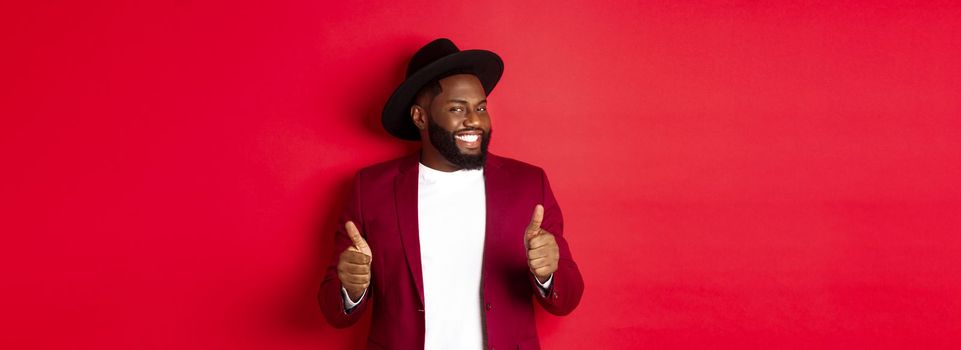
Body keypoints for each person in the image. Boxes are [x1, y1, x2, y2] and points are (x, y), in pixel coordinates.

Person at [319, 38, 584, 350]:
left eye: (480, 108)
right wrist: (351, 289)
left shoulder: (528, 184)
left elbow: (566, 300)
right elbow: (333, 311)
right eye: (457, 108)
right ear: (420, 117)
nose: (474, 120)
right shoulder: (370, 189)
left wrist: (549, 274)